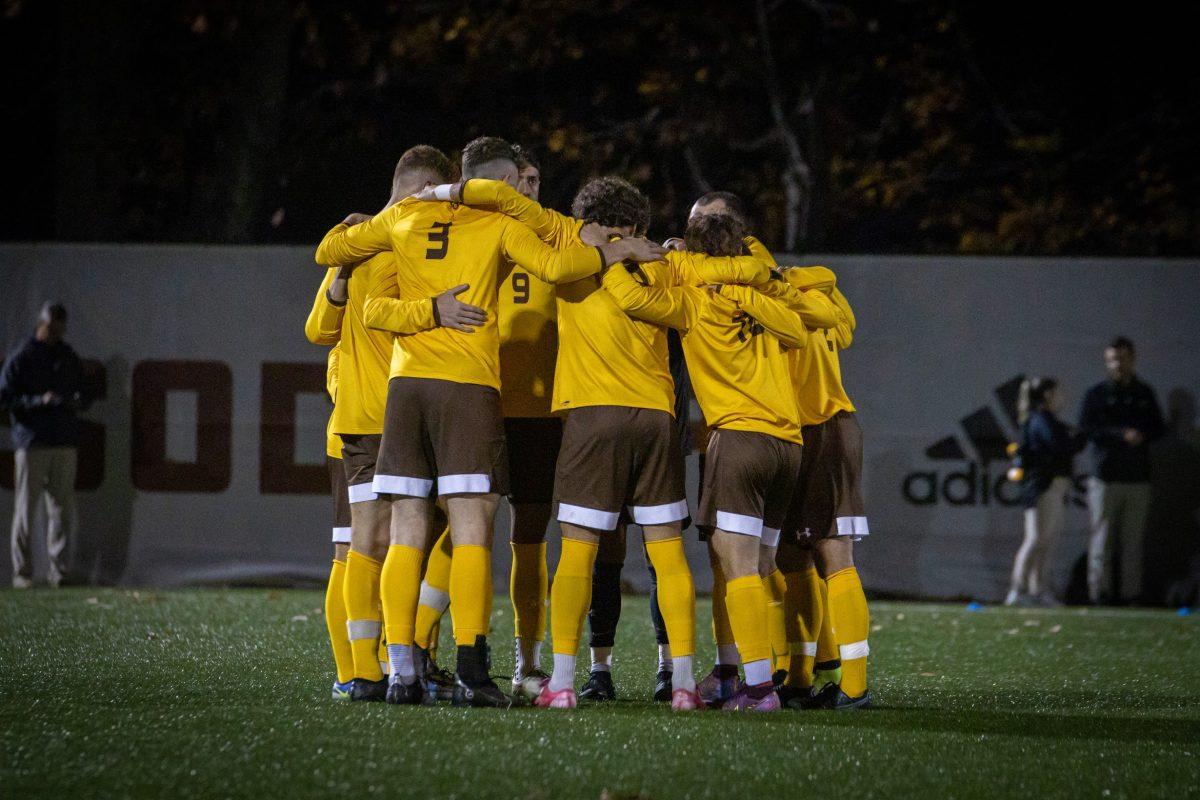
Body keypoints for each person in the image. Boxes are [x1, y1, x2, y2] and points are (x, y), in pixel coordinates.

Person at [316, 136, 665, 708]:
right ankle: (472, 670)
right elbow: (555, 264)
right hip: (470, 389)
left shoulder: (403, 217)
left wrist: (398, 249)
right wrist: (614, 252)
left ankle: (399, 672)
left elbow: (330, 252)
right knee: (472, 529)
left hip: (405, 390)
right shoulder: (499, 227)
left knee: (406, 533)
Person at [604, 212, 839, 711]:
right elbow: (801, 330)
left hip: (738, 442)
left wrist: (612, 259)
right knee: (760, 564)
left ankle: (755, 689)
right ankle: (763, 678)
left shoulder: (692, 300)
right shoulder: (765, 298)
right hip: (787, 446)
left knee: (737, 571)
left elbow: (631, 299)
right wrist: (756, 284)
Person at [2, 302, 88, 588]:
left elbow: (85, 393)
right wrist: (39, 401)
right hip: (33, 441)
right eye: (53, 328)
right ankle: (23, 572)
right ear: (42, 324)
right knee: (26, 508)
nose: (56, 334)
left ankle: (59, 571)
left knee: (62, 508)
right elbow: (5, 398)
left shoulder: (66, 355)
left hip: (63, 440)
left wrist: (74, 400)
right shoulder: (23, 357)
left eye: (60, 329)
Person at [1080, 337, 1165, 604]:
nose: (1118, 364)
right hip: (1106, 477)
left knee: (1133, 541)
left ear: (1133, 359)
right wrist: (1120, 435)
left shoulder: (1144, 393)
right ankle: (1100, 593)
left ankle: (1131, 593)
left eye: (1123, 358)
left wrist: (1142, 436)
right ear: (1107, 361)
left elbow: (1158, 427)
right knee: (1102, 539)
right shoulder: (1097, 395)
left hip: (1138, 477)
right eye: (1113, 359)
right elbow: (1088, 429)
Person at [1004, 377, 1085, 608]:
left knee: (1047, 539)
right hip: (1042, 486)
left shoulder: (1048, 420)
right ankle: (1017, 590)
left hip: (1054, 485)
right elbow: (1059, 446)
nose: (1062, 396)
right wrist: (1077, 439)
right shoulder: (1040, 419)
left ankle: (1038, 590)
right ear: (1048, 394)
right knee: (1035, 538)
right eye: (1058, 392)